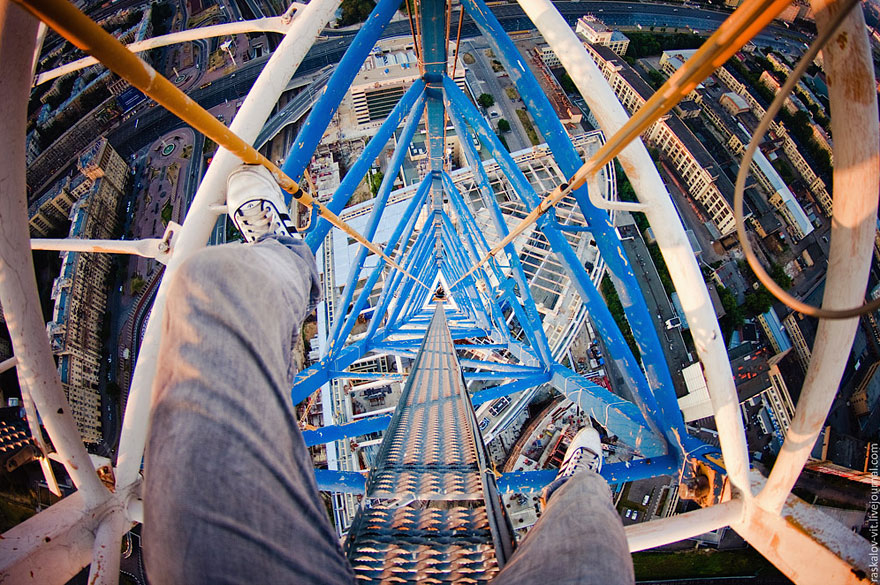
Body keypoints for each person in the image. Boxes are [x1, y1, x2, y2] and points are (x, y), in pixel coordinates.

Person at [143, 165, 634, 584]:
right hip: (437, 310)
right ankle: (579, 481)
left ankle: (284, 253)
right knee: (595, 547)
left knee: (206, 284)